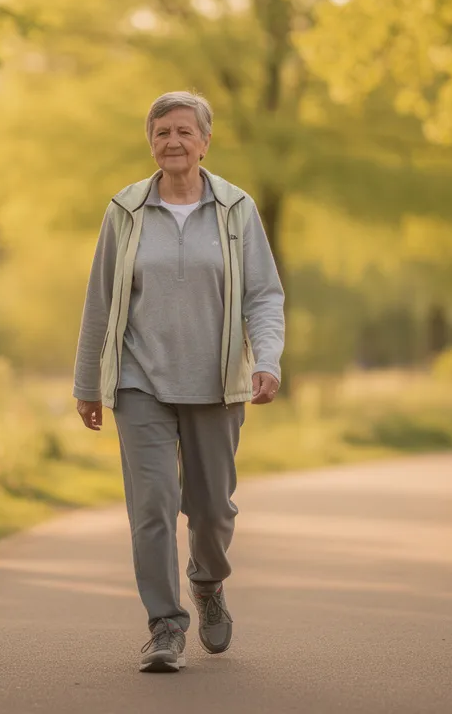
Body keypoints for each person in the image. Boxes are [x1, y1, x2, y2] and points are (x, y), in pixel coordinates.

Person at [72, 91, 285, 673]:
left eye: (184, 131)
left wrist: (267, 360)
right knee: (153, 506)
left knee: (213, 512)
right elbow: (99, 302)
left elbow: (264, 295)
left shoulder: (237, 209)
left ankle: (208, 581)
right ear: (150, 141)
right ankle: (165, 626)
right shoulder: (126, 210)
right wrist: (88, 382)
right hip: (139, 380)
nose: (173, 141)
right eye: (162, 131)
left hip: (217, 383)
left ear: (205, 141)